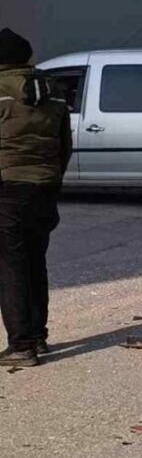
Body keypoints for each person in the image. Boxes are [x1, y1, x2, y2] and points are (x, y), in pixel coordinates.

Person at [0, 28, 72, 367]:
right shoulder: (54, 90)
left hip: (8, 187)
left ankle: (21, 345)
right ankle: (39, 336)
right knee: (34, 261)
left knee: (10, 265)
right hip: (44, 187)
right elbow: (64, 144)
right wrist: (53, 179)